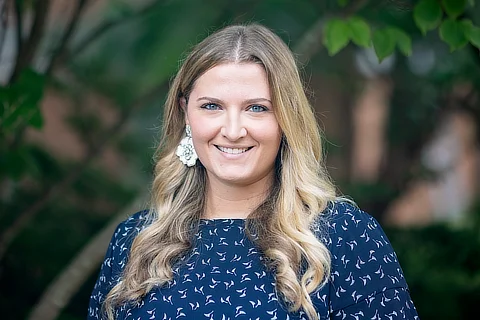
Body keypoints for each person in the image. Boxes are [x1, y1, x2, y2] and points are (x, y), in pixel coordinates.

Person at [87, 24, 419, 320]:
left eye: (256, 108)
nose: (232, 130)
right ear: (185, 112)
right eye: (212, 106)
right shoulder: (136, 241)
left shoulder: (343, 235)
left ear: (286, 120)